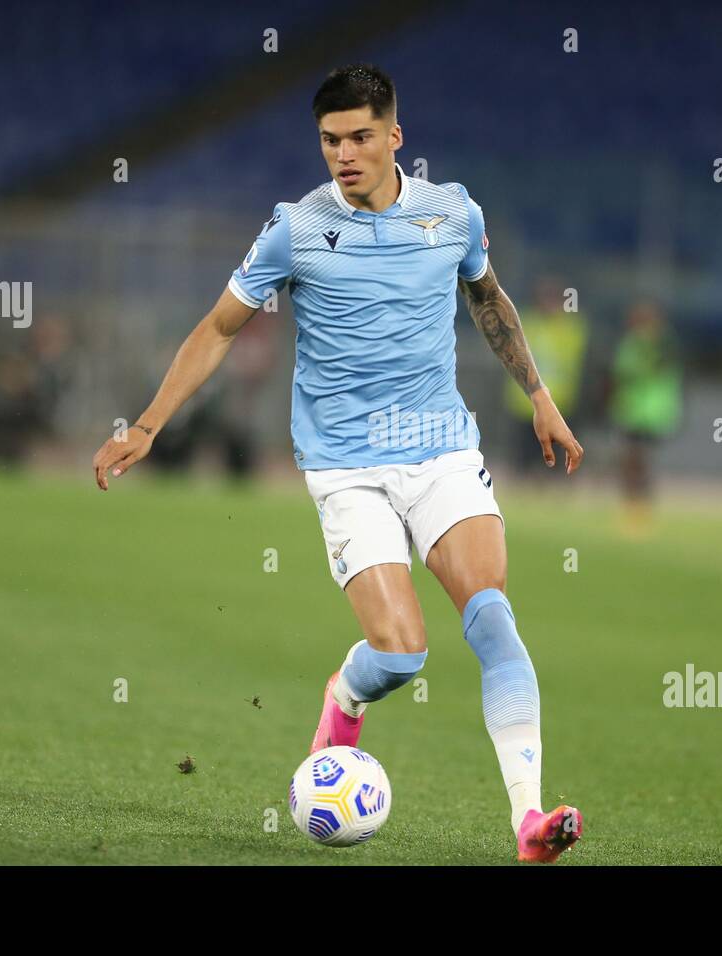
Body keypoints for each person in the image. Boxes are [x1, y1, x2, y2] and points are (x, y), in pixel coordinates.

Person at [91, 65, 585, 862]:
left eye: (360, 137)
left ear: (395, 136)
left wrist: (540, 393)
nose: (344, 154)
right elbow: (219, 328)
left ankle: (529, 822)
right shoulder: (295, 226)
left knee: (492, 615)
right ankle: (346, 696)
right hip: (346, 464)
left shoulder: (452, 212)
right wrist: (148, 424)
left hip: (441, 450)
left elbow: (488, 300)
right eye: (329, 140)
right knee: (402, 654)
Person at [607, 301, 682, 533]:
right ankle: (634, 507)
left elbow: (635, 372)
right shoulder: (634, 345)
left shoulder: (662, 346)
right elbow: (622, 373)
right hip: (633, 411)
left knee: (639, 461)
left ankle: (640, 509)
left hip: (649, 413)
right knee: (633, 461)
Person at [503, 276, 588, 476]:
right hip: (526, 403)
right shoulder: (526, 323)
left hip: (560, 403)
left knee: (558, 460)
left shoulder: (570, 327)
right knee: (525, 458)